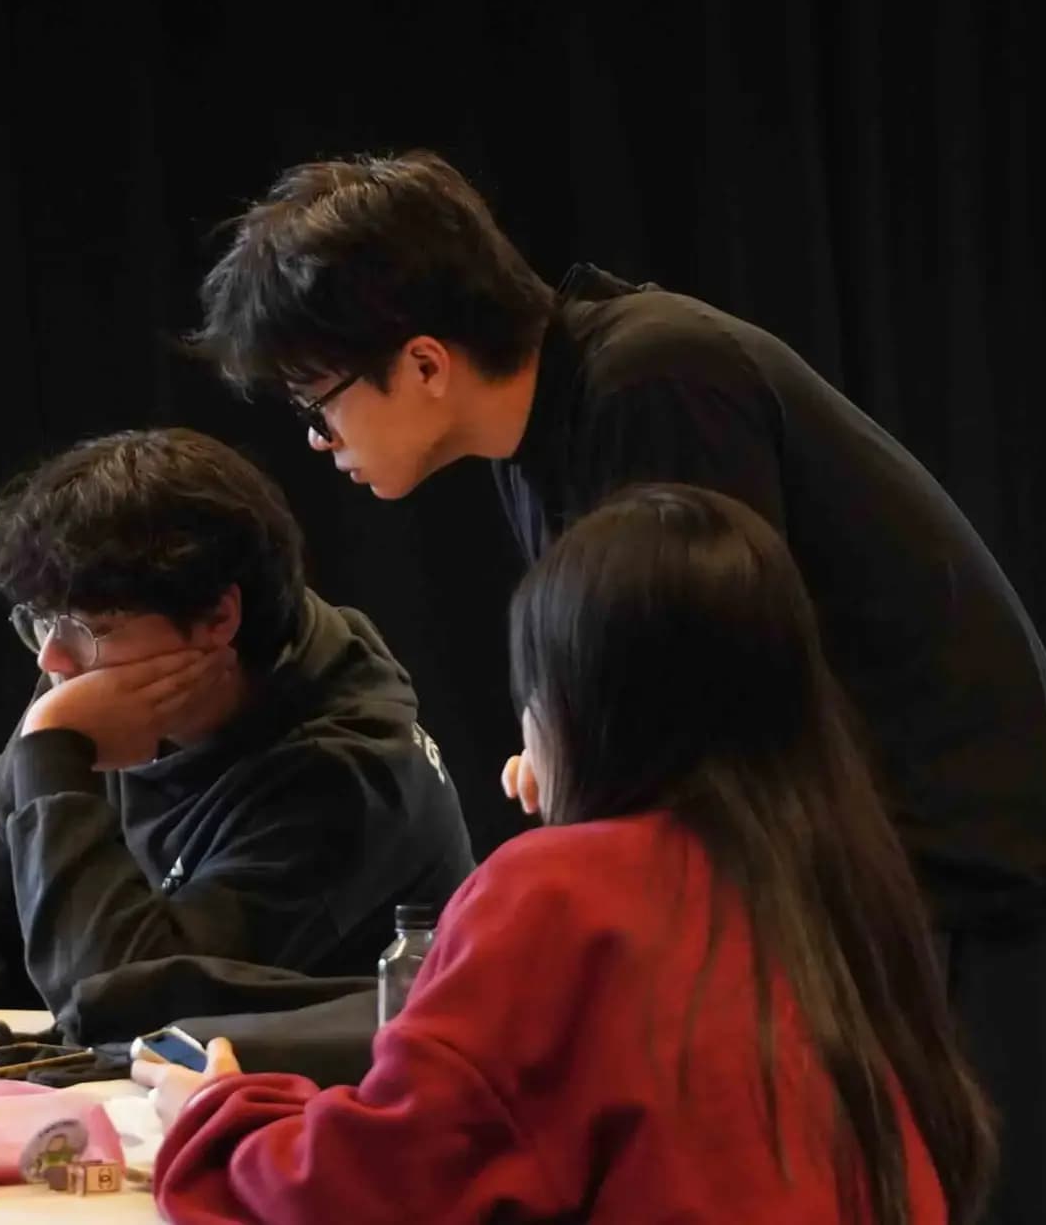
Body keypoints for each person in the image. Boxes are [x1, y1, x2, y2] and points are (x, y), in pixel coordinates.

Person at [192, 150, 1046, 1223]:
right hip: (856, 866)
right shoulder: (551, 432)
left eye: (319, 400)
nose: (320, 440)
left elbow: (715, 693)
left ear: (422, 363)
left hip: (972, 862)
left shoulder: (654, 383)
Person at [135, 485, 995, 1224]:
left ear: (581, 707)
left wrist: (215, 1115)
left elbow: (376, 1185)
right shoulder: (841, 879)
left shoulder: (563, 891)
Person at [0, 427, 475, 1010]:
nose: (51, 659)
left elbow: (125, 1005)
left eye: (93, 628)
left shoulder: (349, 779)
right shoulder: (85, 683)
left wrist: (54, 762)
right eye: (41, 621)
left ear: (219, 617)